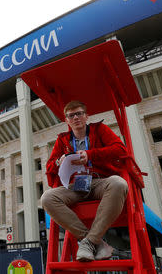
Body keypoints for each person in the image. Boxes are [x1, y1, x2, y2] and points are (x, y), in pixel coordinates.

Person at [41, 100, 128, 262]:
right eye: (71, 115)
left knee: (119, 183)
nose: (75, 118)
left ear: (86, 116)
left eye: (79, 113)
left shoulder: (99, 129)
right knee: (47, 198)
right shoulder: (62, 140)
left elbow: (120, 149)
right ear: (66, 120)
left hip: (99, 181)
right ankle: (96, 242)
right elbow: (49, 166)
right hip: (77, 185)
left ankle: (88, 243)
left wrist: (91, 154)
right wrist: (59, 162)